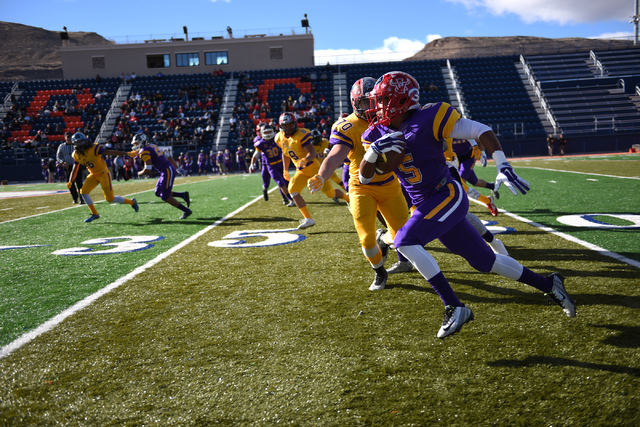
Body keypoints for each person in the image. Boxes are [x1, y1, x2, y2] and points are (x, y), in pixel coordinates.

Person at [359, 71, 576, 338]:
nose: (377, 107)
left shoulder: (430, 116)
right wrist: (371, 153)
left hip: (447, 193)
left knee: (404, 240)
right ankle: (549, 283)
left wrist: (502, 164)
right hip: (425, 202)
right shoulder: (375, 132)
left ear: (402, 99)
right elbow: (367, 176)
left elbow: (479, 129)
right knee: (484, 261)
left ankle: (454, 306)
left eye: (383, 100)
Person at [309, 77, 409, 290]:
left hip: (390, 184)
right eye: (366, 102)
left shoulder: (390, 118)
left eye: (376, 100)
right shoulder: (348, 125)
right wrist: (322, 176)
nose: (373, 106)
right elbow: (335, 156)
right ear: (355, 103)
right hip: (361, 187)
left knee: (404, 234)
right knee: (366, 238)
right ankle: (379, 271)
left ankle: (390, 243)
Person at [276, 112, 349, 229]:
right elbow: (285, 154)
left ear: (294, 124)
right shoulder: (279, 137)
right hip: (301, 171)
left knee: (330, 193)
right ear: (281, 126)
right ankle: (308, 219)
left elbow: (312, 153)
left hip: (315, 168)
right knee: (292, 190)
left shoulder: (302, 134)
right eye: (286, 126)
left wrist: (304, 160)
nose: (288, 128)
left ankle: (348, 198)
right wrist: (285, 169)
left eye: (290, 125)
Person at [66, 132, 139, 223]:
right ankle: (95, 214)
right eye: (78, 143)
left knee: (110, 199)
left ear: (85, 141)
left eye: (81, 142)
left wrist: (126, 153)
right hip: (93, 174)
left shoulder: (94, 147)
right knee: (83, 192)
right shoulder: (75, 154)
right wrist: (70, 181)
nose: (80, 145)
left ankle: (132, 202)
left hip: (103, 173)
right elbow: (75, 169)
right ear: (74, 145)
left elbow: (110, 152)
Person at [130, 134, 192, 219]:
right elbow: (168, 156)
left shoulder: (144, 151)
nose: (135, 145)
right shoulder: (153, 146)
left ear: (142, 142)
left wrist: (138, 173)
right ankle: (182, 195)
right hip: (166, 170)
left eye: (136, 143)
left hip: (167, 171)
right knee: (158, 192)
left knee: (164, 196)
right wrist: (177, 168)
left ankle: (186, 210)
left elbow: (147, 169)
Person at [251, 124, 295, 206]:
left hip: (281, 163)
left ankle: (290, 197)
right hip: (271, 167)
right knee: (281, 183)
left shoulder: (277, 138)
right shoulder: (260, 143)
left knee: (287, 182)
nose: (268, 134)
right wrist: (252, 163)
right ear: (262, 133)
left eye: (269, 131)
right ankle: (290, 199)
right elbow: (256, 154)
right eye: (266, 132)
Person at [57, 131, 84, 204]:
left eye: (70, 136)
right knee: (70, 183)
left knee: (79, 183)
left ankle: (82, 198)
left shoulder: (76, 144)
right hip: (68, 166)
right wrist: (62, 162)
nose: (69, 138)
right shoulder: (62, 146)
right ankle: (75, 198)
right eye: (67, 137)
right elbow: (58, 156)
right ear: (65, 138)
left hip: (77, 165)